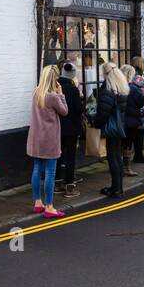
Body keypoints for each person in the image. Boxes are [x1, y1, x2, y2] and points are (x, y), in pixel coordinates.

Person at [26, 65, 68, 217]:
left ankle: (38, 202)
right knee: (50, 172)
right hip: (49, 139)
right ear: (54, 79)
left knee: (37, 169)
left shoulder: (36, 92)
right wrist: (61, 94)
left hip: (36, 137)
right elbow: (64, 111)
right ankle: (49, 207)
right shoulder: (53, 96)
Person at [95, 64, 130, 197]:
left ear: (106, 74)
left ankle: (115, 189)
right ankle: (118, 187)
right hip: (120, 126)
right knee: (117, 156)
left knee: (112, 157)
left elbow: (103, 112)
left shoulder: (108, 90)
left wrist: (97, 123)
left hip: (111, 127)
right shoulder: (121, 88)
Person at [56, 62, 84, 195]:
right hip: (72, 127)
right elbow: (79, 109)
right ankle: (69, 186)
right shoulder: (73, 90)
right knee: (70, 157)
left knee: (58, 155)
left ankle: (57, 183)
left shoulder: (55, 87)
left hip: (57, 127)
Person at [121, 65, 144, 176]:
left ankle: (120, 166)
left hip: (120, 120)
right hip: (132, 120)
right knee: (128, 144)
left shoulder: (116, 87)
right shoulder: (134, 89)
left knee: (119, 144)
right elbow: (141, 102)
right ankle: (126, 168)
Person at [128, 55, 144, 164]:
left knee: (137, 133)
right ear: (140, 64)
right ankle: (138, 155)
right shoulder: (138, 77)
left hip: (135, 108)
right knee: (140, 133)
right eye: (143, 63)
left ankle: (137, 155)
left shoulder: (133, 75)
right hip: (141, 109)